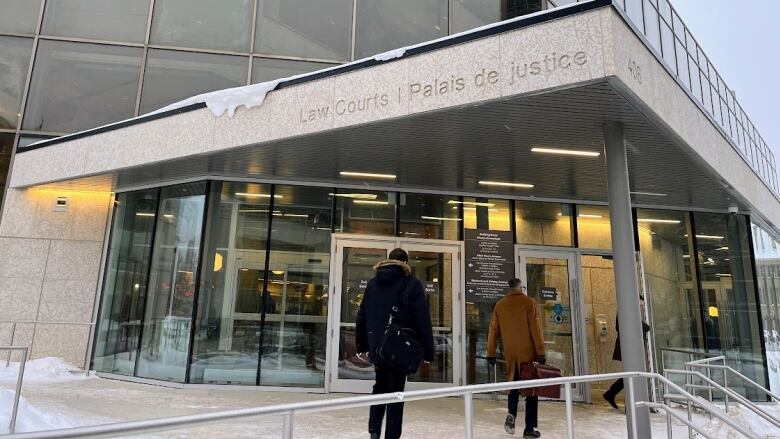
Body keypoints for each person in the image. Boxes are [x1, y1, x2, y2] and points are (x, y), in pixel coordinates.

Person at [355, 248, 434, 439]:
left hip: (378, 347)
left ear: (388, 261)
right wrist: (428, 351)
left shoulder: (373, 284)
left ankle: (374, 430)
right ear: (405, 263)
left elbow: (362, 316)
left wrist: (363, 345)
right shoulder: (411, 284)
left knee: (380, 386)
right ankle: (391, 435)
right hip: (400, 348)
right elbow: (422, 319)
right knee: (397, 391)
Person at [487, 278, 546, 438]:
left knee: (514, 384)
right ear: (520, 287)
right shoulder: (529, 303)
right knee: (531, 391)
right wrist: (541, 351)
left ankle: (511, 414)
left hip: (510, 352)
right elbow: (535, 328)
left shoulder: (500, 305)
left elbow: (493, 330)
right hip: (528, 353)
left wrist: (490, 352)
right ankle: (529, 429)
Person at [603, 296, 651, 409]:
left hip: (631, 348)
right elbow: (625, 326)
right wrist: (646, 326)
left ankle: (611, 394)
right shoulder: (626, 311)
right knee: (631, 375)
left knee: (630, 374)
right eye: (640, 305)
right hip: (628, 348)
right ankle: (627, 404)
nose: (642, 307)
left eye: (642, 306)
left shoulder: (630, 312)